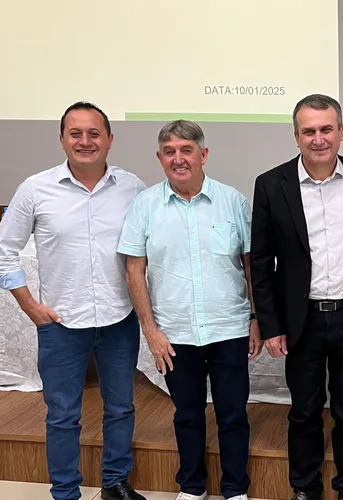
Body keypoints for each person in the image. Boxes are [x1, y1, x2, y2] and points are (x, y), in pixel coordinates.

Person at [0, 101, 148, 500]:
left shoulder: (132, 188)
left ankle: (115, 483)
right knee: (62, 415)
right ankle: (65, 492)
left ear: (110, 139)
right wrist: (29, 305)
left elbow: (151, 248)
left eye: (94, 133)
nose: (85, 141)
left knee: (121, 408)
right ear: (62, 139)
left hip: (118, 319)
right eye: (75, 133)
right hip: (61, 323)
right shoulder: (35, 189)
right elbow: (3, 251)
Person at [117, 120, 260, 500]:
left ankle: (235, 489)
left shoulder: (233, 201)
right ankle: (193, 487)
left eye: (186, 150)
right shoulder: (145, 206)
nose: (178, 159)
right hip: (174, 332)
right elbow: (134, 271)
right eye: (169, 152)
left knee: (233, 414)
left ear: (203, 154)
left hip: (229, 327)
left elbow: (251, 266)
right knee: (187, 414)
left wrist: (255, 318)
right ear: (160, 158)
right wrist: (150, 331)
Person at [249, 94, 343, 500]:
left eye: (326, 129)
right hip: (300, 320)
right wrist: (270, 325)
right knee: (304, 410)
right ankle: (305, 488)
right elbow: (261, 262)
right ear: (296, 136)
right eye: (309, 131)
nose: (318, 139)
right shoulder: (271, 185)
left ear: (341, 132)